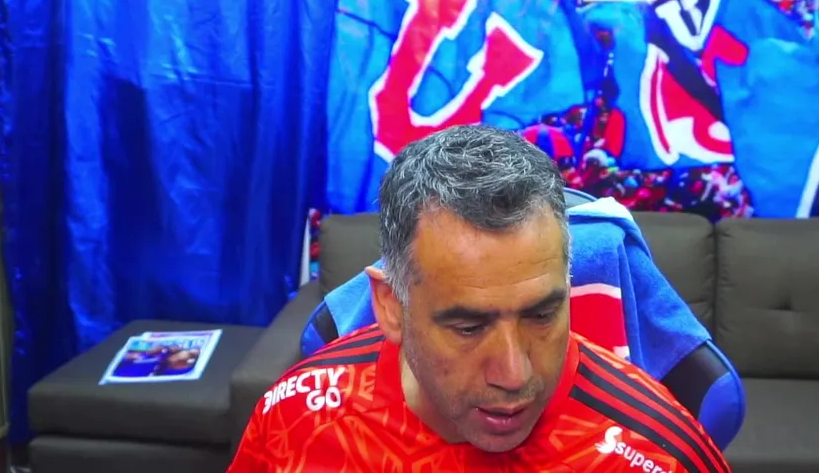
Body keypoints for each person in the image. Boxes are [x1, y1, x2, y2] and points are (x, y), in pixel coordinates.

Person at [229, 125, 730, 472]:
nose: (514, 375)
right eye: (468, 327)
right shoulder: (297, 418)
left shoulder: (657, 455)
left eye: (541, 314)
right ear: (390, 307)